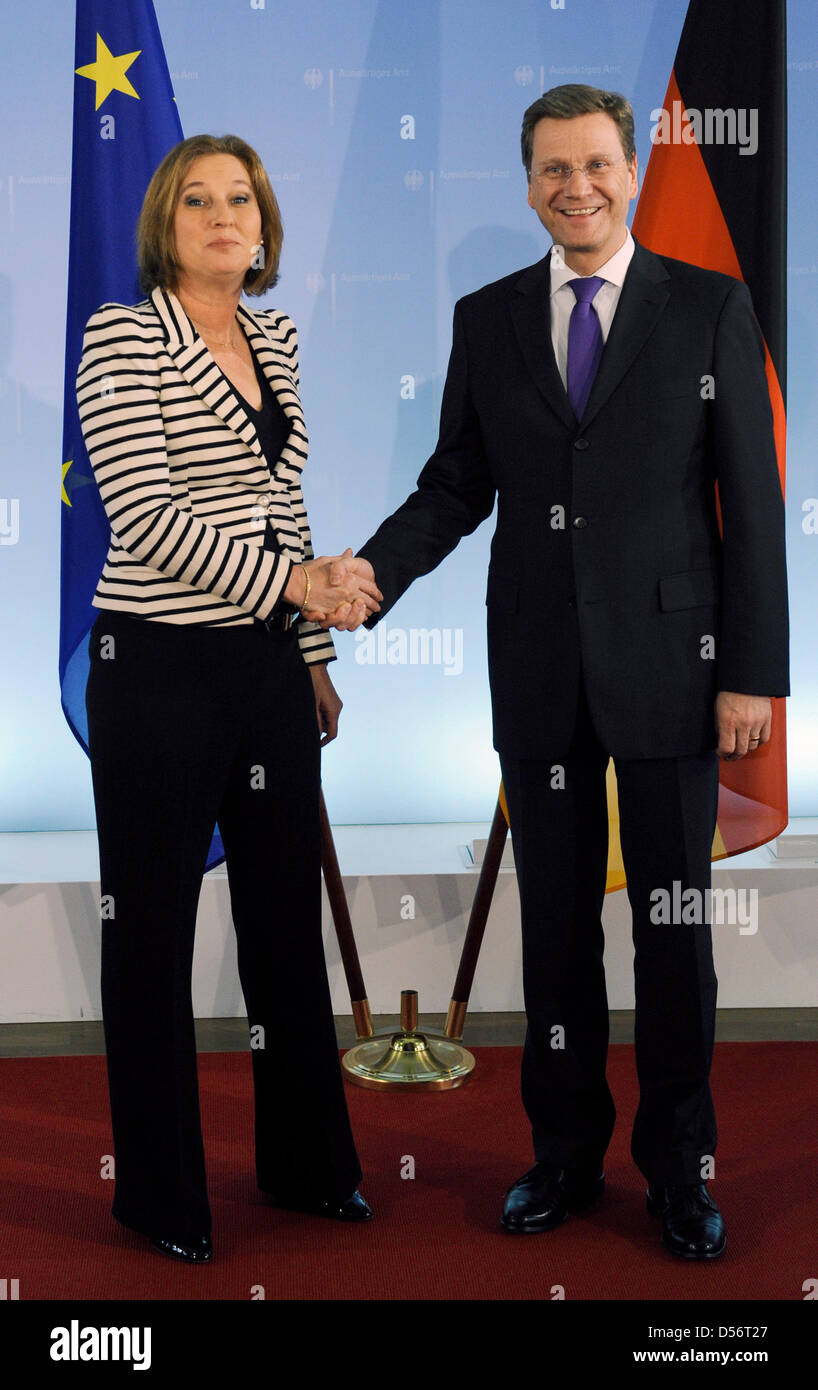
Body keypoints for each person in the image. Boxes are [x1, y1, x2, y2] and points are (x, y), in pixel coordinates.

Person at [347, 85, 789, 1259]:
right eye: (551, 168)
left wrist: (750, 672)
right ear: (527, 179)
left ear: (629, 173)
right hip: (539, 672)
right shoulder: (484, 318)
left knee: (671, 935)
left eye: (594, 163)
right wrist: (369, 575)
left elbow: (750, 503)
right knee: (552, 938)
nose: (575, 186)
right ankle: (560, 1157)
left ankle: (677, 1172)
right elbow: (453, 485)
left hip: (675, 673)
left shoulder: (705, 306)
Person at [77, 133, 382, 1262]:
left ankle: (308, 1170)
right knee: (150, 938)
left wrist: (308, 653)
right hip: (155, 667)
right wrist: (295, 586)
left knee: (281, 930)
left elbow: (280, 507)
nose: (221, 214)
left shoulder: (276, 337)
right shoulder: (121, 336)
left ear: (262, 228)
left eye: (239, 198)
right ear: (166, 223)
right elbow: (146, 517)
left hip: (263, 669)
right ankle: (159, 1196)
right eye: (197, 199)